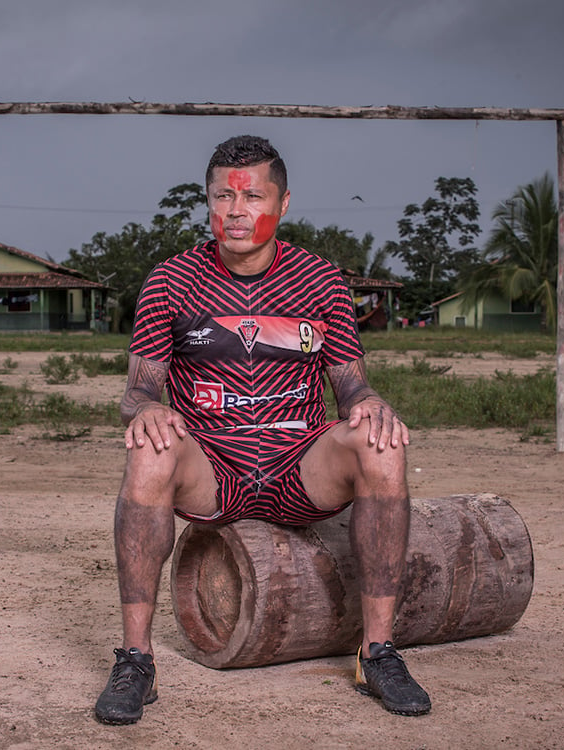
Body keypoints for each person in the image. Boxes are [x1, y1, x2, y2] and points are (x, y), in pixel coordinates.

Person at [93, 135, 431, 725]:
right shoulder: (171, 281)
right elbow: (139, 390)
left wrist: (373, 403)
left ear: (284, 201)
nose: (236, 210)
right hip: (214, 469)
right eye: (223, 196)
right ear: (207, 202)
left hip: (298, 463)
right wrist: (145, 409)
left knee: (380, 442)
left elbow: (351, 386)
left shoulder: (321, 281)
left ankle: (377, 653)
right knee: (150, 450)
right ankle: (135, 661)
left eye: (253, 196)